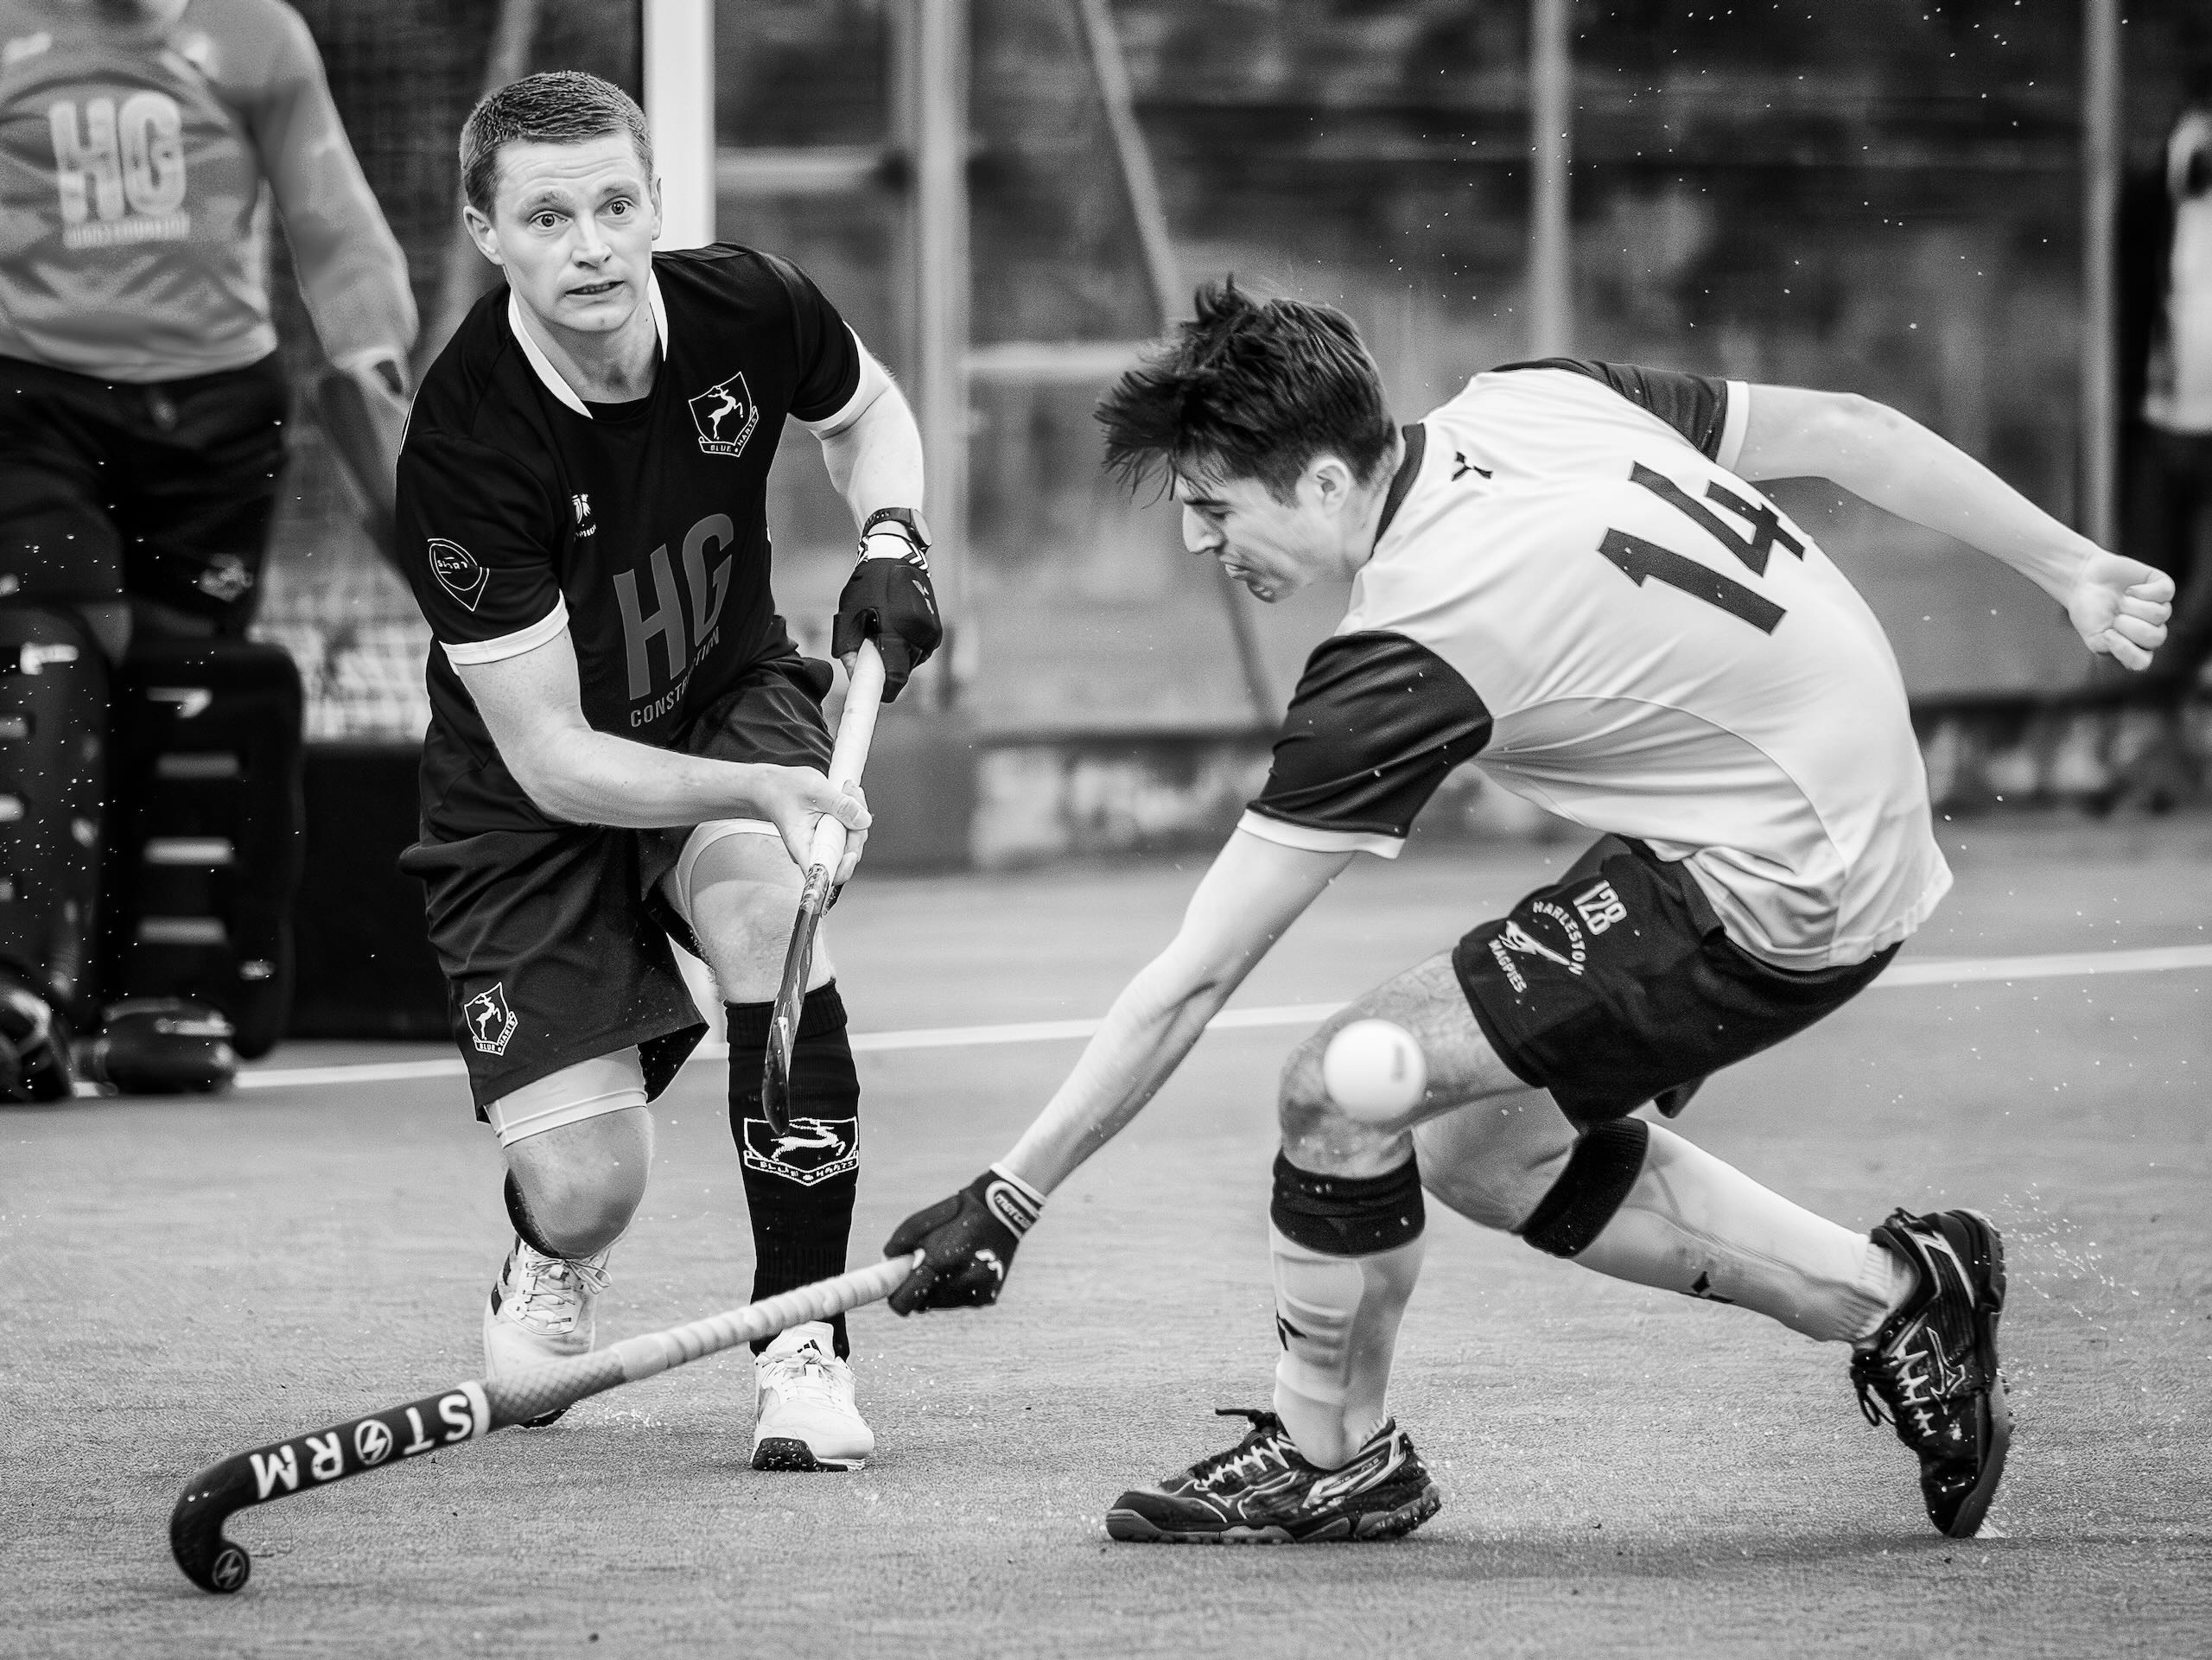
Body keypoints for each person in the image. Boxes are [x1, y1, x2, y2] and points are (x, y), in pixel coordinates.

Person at [882, 282, 2172, 1542]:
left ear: (1328, 484)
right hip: (1823, 799)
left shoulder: (1413, 640)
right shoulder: (1537, 400)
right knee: (1471, 1149)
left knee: (1342, 1087)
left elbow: (1196, 974)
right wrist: (2070, 566)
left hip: (1780, 876)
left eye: (1216, 508)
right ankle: (1901, 1300)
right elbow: (1848, 428)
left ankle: (1331, 1459)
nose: (1197, 541)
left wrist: (1013, 1195)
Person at [393, 72, 940, 1473]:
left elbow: (869, 414)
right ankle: (545, 1253)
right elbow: (559, 760)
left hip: (722, 693)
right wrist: (760, 793)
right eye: (549, 216)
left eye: (616, 206)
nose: (590, 245)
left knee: (769, 913)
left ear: (656, 206)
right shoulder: (466, 442)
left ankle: (803, 1339)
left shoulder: (748, 309)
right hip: (527, 799)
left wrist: (890, 535)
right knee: (590, 1188)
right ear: (487, 231)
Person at [0, 0, 416, 1097]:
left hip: (217, 422)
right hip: (31, 400)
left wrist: (378, 381)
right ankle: (20, 986)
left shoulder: (257, 34)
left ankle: (154, 995)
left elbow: (331, 222)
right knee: (49, 644)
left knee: (185, 680)